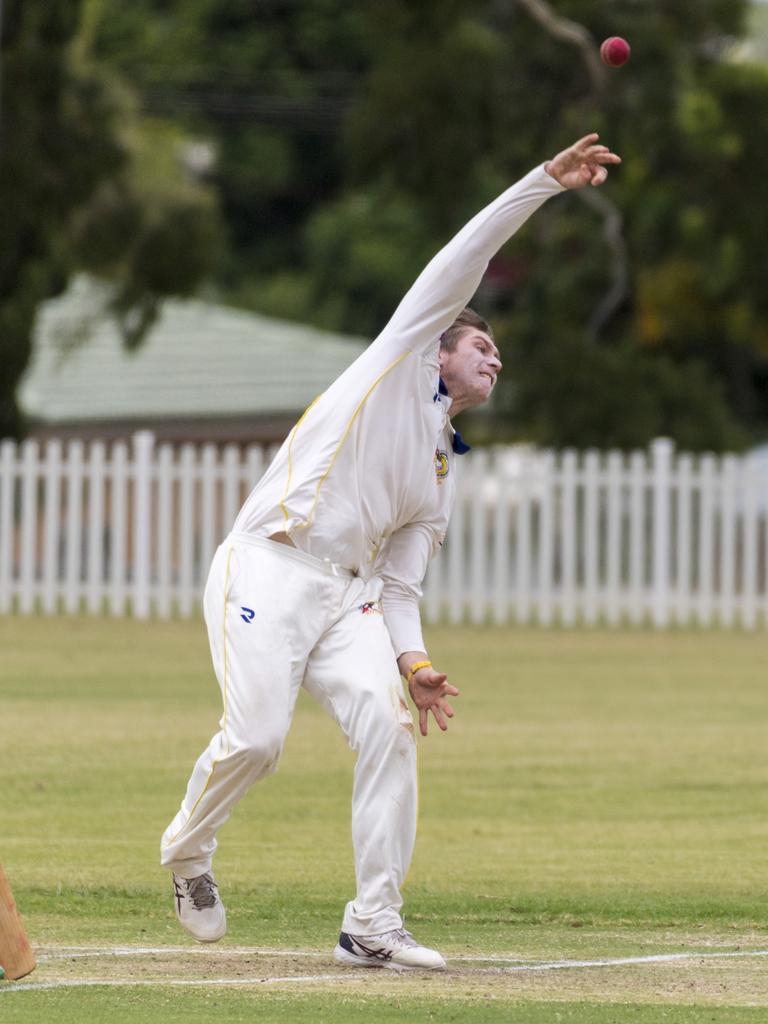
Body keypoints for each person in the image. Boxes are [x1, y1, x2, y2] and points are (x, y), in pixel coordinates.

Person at [160, 133, 621, 971]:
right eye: (483, 346)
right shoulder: (400, 357)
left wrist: (414, 664)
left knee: (390, 727)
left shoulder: (441, 469)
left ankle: (372, 922)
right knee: (258, 741)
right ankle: (189, 852)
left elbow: (402, 585)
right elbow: (466, 255)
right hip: (269, 561)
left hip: (349, 597)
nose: (497, 359)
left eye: (498, 354)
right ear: (442, 342)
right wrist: (544, 184)